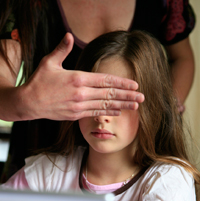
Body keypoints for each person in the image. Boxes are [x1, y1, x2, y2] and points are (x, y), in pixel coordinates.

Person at [2, 30, 199, 201]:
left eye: (120, 101)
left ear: (152, 105)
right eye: (94, 96)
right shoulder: (47, 171)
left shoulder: (168, 181)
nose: (103, 115)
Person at [0, 0, 196, 181]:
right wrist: (26, 101)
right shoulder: (38, 175)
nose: (102, 116)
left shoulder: (165, 183)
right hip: (40, 146)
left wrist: (159, 111)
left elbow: (182, 58)